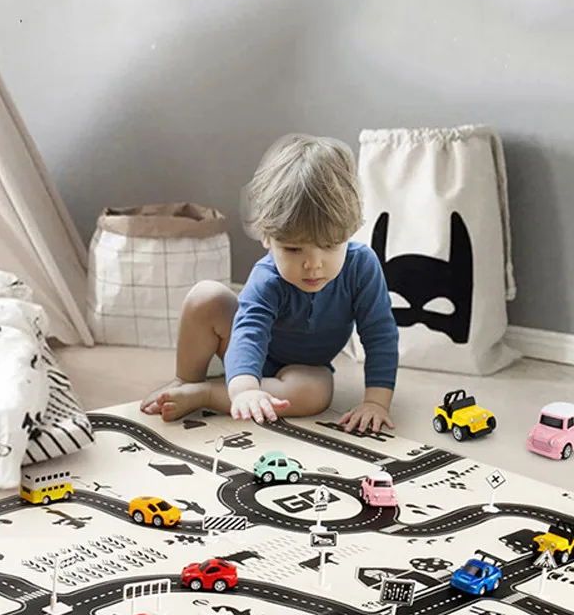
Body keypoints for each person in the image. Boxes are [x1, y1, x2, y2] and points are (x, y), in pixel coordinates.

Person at [140, 133, 398, 432]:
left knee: (314, 394)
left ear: (349, 233)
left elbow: (380, 335)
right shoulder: (267, 277)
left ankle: (206, 393)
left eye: (329, 246)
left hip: (305, 368)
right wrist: (245, 389)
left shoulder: (362, 266)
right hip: (243, 351)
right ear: (267, 238)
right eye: (293, 249)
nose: (313, 264)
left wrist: (376, 402)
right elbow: (248, 333)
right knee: (205, 297)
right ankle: (187, 380)